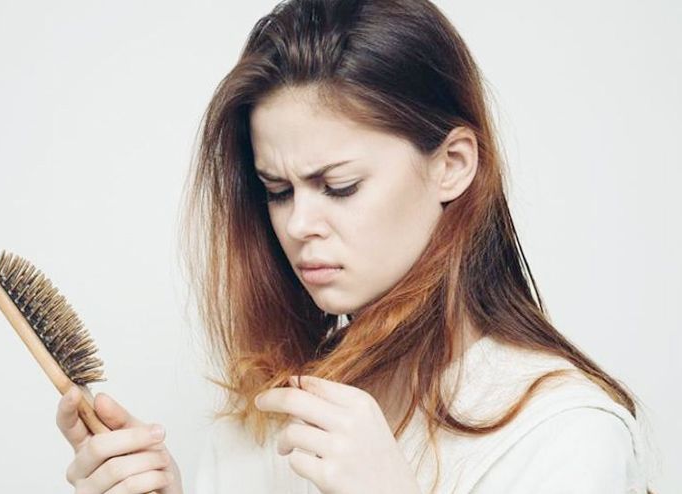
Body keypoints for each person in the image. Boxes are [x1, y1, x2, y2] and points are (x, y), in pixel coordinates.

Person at [55, 0, 653, 493]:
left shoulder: (562, 430)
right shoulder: (266, 417)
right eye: (277, 191)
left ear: (452, 165)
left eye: (338, 186)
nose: (298, 225)